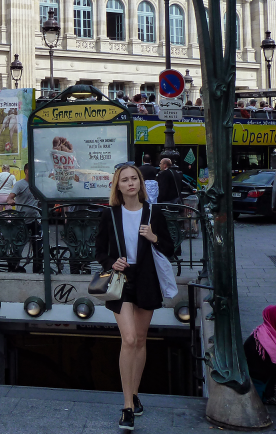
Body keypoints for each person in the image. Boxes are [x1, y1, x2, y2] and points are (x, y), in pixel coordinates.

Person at [96, 164, 175, 430]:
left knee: (140, 340)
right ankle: (127, 406)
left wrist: (154, 237)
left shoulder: (153, 212)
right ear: (117, 186)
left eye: (134, 179)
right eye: (125, 180)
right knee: (128, 339)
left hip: (147, 280)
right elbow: (99, 251)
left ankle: (135, 394)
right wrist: (111, 262)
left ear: (141, 184)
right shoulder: (111, 214)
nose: (130, 183)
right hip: (121, 280)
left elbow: (170, 247)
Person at [7, 163, 42, 273]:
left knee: (38, 246)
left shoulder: (36, 184)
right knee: (19, 245)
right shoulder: (20, 184)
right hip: (22, 221)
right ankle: (14, 267)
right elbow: (10, 197)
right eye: (31, 169)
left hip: (35, 219)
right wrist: (11, 201)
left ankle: (38, 269)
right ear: (26, 171)